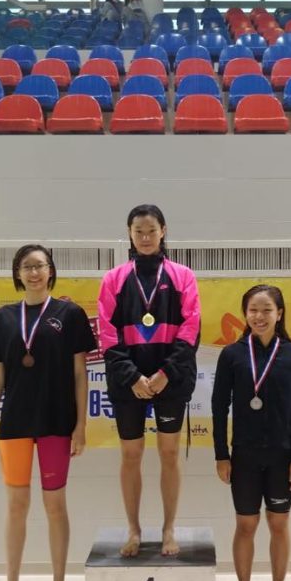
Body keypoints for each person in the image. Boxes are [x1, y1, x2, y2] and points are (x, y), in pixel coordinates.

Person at [0, 244, 95, 581]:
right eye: (27, 267)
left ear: (51, 271)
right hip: (14, 424)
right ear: (17, 273)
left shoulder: (69, 315)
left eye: (40, 266)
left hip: (56, 422)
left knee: (55, 505)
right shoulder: (2, 319)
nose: (34, 273)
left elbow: (80, 374)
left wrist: (81, 425)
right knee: (16, 506)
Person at [98, 205, 200, 558]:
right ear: (129, 233)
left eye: (151, 230)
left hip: (170, 379)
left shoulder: (183, 276)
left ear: (163, 231)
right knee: (131, 454)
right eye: (138, 231)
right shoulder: (113, 279)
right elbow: (107, 334)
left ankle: (169, 528)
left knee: (169, 453)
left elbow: (191, 328)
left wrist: (164, 374)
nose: (145, 237)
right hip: (128, 382)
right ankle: (134, 529)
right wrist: (132, 376)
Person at [212, 285, 291, 581]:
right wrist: (221, 454)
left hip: (283, 456)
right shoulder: (232, 355)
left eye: (267, 310)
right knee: (246, 524)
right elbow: (218, 407)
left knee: (279, 523)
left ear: (279, 314)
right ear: (245, 314)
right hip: (244, 455)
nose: (259, 316)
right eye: (253, 310)